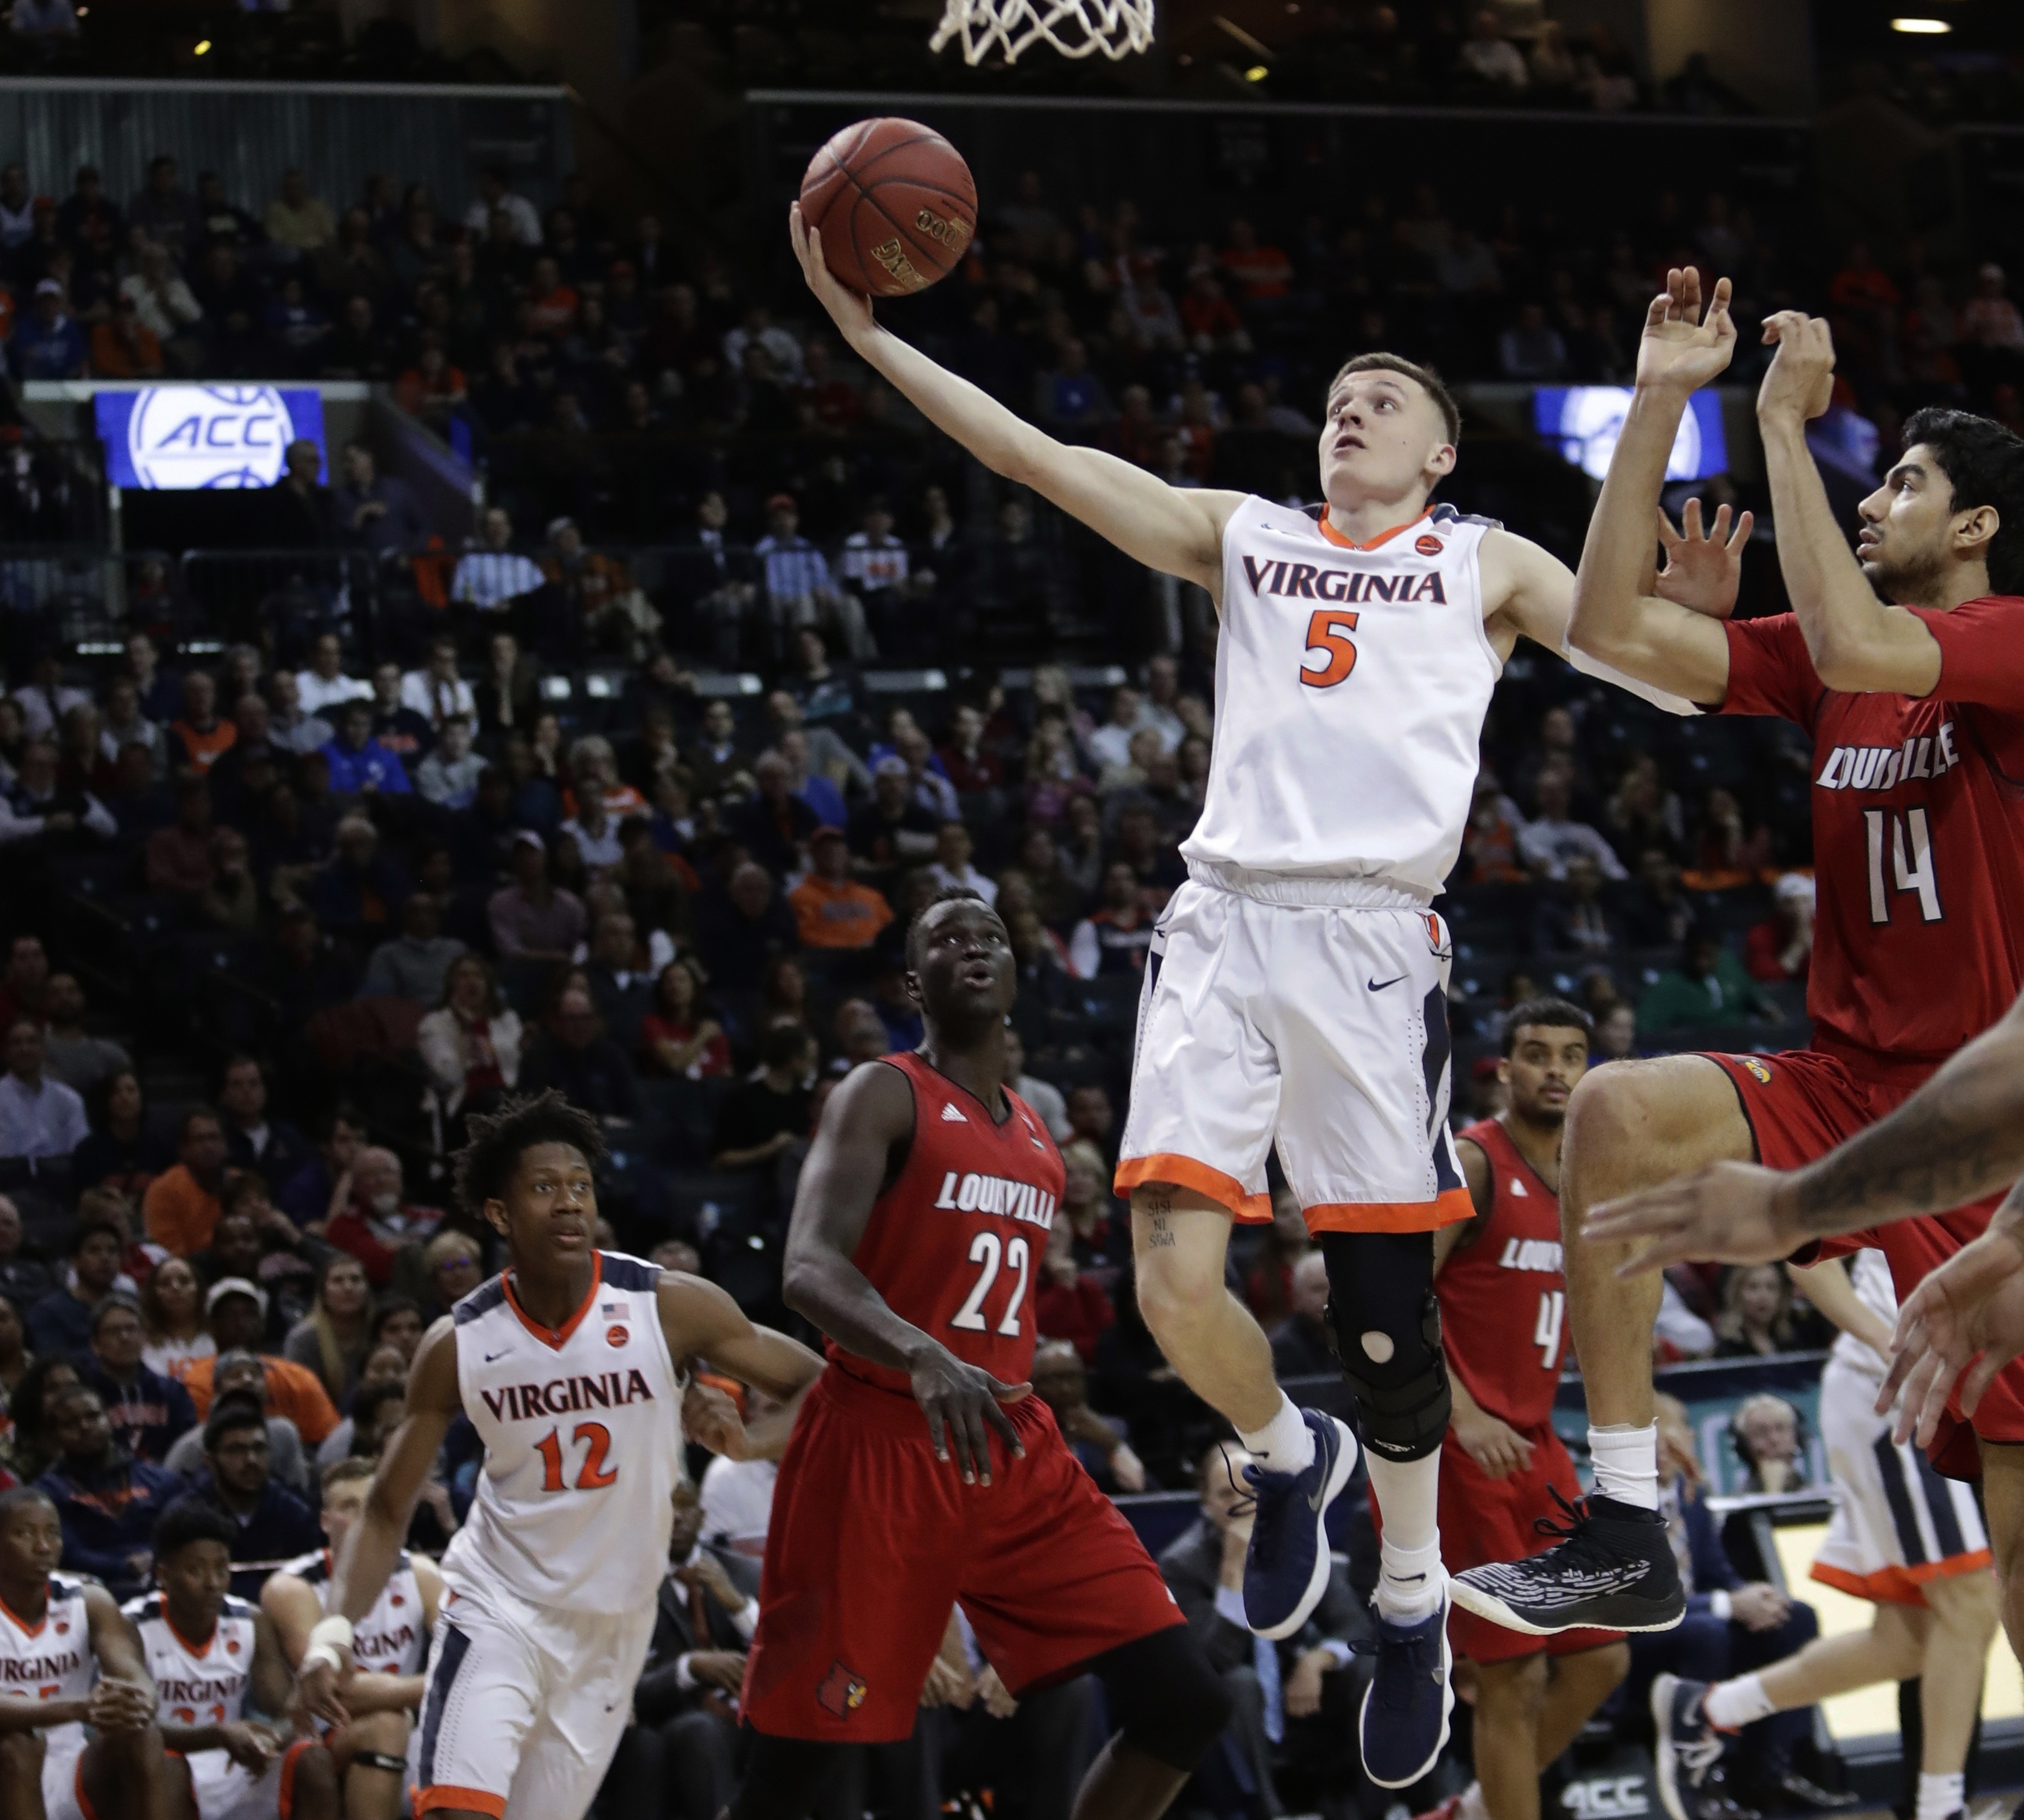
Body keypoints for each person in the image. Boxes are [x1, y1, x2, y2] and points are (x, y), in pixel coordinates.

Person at [785, 182, 1722, 1788]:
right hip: (1221, 921)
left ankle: (1414, 1594)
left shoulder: (1483, 559)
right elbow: (1036, 458)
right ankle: (1291, 1462)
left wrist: (1677, 547)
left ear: (1437, 452)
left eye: (1383, 404)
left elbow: (1665, 670)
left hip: (1369, 943)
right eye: (1334, 402)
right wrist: (874, 336)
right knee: (1165, 1280)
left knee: (1379, 1314)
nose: (1344, 415)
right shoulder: (1249, 536)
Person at [1459, 275, 2024, 1640]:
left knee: (2014, 1572)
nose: (1876, 503)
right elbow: (1606, 633)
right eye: (1871, 481)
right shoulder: (1839, 660)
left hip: (1990, 1118)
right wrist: (1658, 402)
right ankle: (1627, 1522)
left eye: (1901, 483)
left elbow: (1855, 637)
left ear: (1980, 526)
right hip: (1843, 1076)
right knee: (1615, 1108)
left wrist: (1785, 425)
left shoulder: (2005, 639)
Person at [715, 888, 1228, 1820]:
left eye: (990, 935)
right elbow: (805, 1267)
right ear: (915, 982)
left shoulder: (1035, 1135)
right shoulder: (883, 1091)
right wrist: (921, 1354)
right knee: (797, 1775)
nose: (975, 948)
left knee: (1184, 1701)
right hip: (878, 1442)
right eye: (947, 940)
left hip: (1010, 1449)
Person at [290, 1092, 820, 1820]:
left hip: (613, 1626)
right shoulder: (459, 1343)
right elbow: (385, 1507)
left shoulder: (666, 1305)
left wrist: (746, 1439)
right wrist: (330, 1634)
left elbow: (818, 1388)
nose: (569, 1203)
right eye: (544, 1188)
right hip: (498, 1605)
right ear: (499, 1213)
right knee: (457, 1811)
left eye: (580, 1186)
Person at [1651, 1251, 1998, 1820]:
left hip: (1927, 1395)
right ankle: (1940, 1809)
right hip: (1892, 1393)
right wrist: (1893, 1347)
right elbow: (1809, 1261)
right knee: (1969, 1603)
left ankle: (1708, 1707)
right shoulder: (1917, 1166)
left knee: (1906, 1640)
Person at [1422, 999, 1629, 1820]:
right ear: (1503, 1070)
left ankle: (1471, 1812)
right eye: (1536, 1054)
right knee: (1510, 1680)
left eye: (1571, 1055)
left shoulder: (1584, 1179)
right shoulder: (1472, 1162)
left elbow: (1607, 1319)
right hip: (1456, 1445)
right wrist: (1463, 1413)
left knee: (1599, 1661)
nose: (1554, 1069)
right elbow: (1391, 1299)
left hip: (1534, 1445)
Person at [124, 1497, 339, 1820]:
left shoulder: (249, 1620)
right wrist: (219, 1734)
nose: (213, 1583)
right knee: (163, 1765)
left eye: (222, 1569)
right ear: (164, 1575)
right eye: (196, 1570)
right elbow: (135, 1727)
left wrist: (266, 1740)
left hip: (234, 1758)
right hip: (169, 1756)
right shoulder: (133, 1625)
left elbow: (285, 1710)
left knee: (314, 1759)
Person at [265, 1457, 443, 1820]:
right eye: (349, 1507)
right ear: (325, 1521)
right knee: (388, 1724)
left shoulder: (421, 1574)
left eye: (371, 1506)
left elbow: (468, 1667)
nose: (363, 1518)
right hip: (321, 1738)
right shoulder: (294, 1587)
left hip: (409, 1728)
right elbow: (332, 1693)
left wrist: (436, 1687)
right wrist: (434, 1686)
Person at [0, 1484, 177, 1820]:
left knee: (143, 1735)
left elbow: (131, 1671)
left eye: (52, 1533)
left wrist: (137, 1699)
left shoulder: (90, 1599)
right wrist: (75, 1708)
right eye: (25, 1534)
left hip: (73, 1762)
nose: (43, 1546)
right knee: (18, 1745)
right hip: (9, 1764)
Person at [34, 1382, 184, 1600]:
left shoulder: (162, 1481)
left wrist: (155, 1558)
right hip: (89, 1594)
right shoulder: (47, 1492)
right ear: (56, 1435)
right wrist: (124, 1566)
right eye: (71, 1423)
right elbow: (68, 1553)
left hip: (163, 1585)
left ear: (109, 1419)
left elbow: (184, 1535)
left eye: (92, 1416)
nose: (84, 1426)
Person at [184, 1401, 322, 1597]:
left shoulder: (296, 1514)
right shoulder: (187, 1518)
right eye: (236, 1450)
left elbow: (315, 1586)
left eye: (259, 1448)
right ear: (210, 1461)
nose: (251, 1460)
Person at [82, 1294, 195, 1467]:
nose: (125, 1337)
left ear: (144, 1337)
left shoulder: (171, 1391)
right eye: (114, 1331)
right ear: (95, 1345)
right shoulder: (85, 1394)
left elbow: (189, 1449)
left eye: (132, 1329)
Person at [141, 1108, 230, 1258]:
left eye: (214, 1138)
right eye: (200, 1139)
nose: (208, 1146)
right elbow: (167, 1254)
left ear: (225, 1145)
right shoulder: (164, 1189)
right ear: (184, 1148)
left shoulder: (241, 1183)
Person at [0, 1017, 88, 1163]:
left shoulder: (69, 1100)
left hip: (61, 1182)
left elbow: (82, 1153)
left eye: (32, 1041)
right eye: (17, 1043)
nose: (25, 1049)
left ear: (44, 1049)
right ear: (5, 1051)